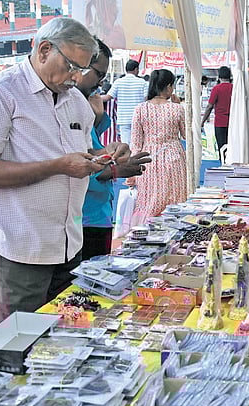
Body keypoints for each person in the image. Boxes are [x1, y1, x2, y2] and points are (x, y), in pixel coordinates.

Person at [0, 17, 130, 320]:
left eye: (82, 70)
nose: (75, 77)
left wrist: (107, 153)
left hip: (69, 242)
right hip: (22, 244)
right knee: (24, 333)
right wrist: (58, 166)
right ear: (44, 51)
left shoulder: (74, 100)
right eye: (71, 66)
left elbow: (83, 152)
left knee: (68, 328)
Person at [78, 38, 151, 261]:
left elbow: (92, 149)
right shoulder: (65, 103)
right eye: (98, 74)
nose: (100, 82)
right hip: (84, 216)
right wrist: (115, 170)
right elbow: (76, 164)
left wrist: (98, 119)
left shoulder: (82, 103)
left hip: (96, 212)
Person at [126, 69, 187, 226]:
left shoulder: (140, 109)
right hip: (174, 158)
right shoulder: (177, 108)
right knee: (174, 198)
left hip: (148, 159)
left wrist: (131, 171)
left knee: (149, 200)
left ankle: (145, 229)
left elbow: (136, 143)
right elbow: (186, 134)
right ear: (168, 87)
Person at [102, 60, 148, 144]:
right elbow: (146, 99)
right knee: (138, 144)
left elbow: (108, 97)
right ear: (136, 69)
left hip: (123, 118)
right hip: (139, 118)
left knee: (126, 144)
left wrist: (94, 98)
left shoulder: (118, 82)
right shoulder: (142, 82)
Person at [201, 66, 232, 163]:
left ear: (219, 76)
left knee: (221, 147)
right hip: (232, 122)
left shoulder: (216, 89)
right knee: (232, 147)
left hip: (220, 122)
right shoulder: (234, 88)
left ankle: (223, 164)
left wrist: (203, 121)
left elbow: (209, 106)